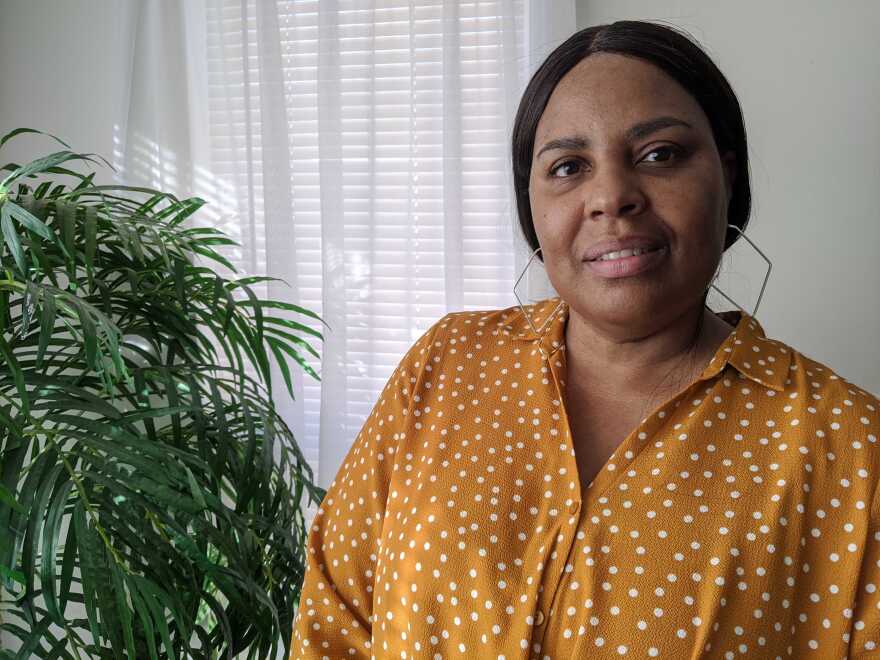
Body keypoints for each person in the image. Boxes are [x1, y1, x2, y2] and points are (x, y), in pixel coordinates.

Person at [289, 20, 880, 659]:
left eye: (660, 154)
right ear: (532, 207)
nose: (612, 197)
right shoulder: (445, 365)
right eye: (569, 167)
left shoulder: (847, 447)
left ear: (726, 177)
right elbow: (334, 616)